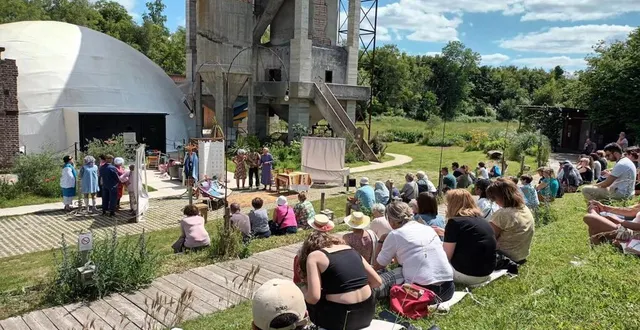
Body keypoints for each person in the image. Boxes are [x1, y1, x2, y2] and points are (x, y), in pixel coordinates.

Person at [299, 231, 381, 330]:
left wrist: (302, 298)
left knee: (305, 293)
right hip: (368, 313)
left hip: (340, 320)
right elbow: (377, 282)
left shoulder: (314, 256)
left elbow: (314, 298)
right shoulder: (351, 249)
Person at [376, 202, 454, 302]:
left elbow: (379, 265)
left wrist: (381, 240)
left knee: (381, 279)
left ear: (391, 221)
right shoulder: (428, 229)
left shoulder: (395, 234)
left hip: (421, 292)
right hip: (448, 289)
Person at [443, 189, 497, 286]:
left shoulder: (454, 222)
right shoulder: (481, 220)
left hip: (467, 275)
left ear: (452, 204)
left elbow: (446, 257)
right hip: (487, 272)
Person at [486, 180, 535, 268]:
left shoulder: (503, 214)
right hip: (521, 255)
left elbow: (488, 238)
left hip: (505, 257)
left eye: (494, 198)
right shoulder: (524, 208)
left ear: (502, 197)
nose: (494, 201)